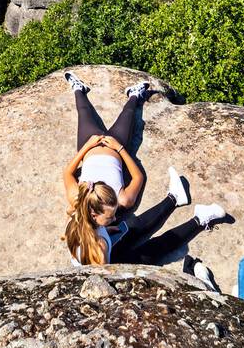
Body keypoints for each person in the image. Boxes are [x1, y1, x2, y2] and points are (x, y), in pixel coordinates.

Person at [62, 71, 226, 266]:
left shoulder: (80, 222)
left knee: (132, 227)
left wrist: (107, 230)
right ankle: (200, 220)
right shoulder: (100, 247)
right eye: (111, 215)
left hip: (100, 240)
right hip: (112, 260)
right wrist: (107, 237)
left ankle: (175, 199)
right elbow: (103, 274)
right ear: (95, 215)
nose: (115, 217)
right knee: (153, 249)